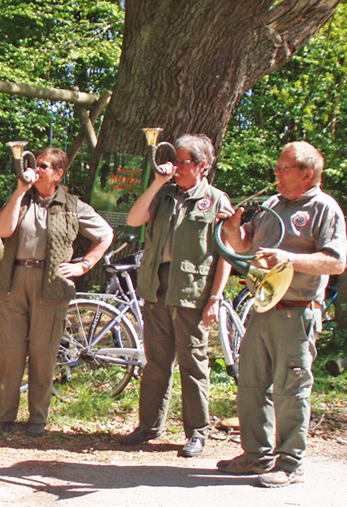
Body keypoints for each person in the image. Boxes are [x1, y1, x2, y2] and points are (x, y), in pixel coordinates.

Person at [217, 141, 346, 487]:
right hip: (262, 308)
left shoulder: (324, 208)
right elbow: (244, 245)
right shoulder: (272, 205)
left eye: (283, 168)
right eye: (277, 167)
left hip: (298, 312)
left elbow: (335, 262)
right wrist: (232, 228)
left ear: (307, 173)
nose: (276, 173)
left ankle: (290, 462)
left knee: (291, 388)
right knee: (251, 383)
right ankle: (256, 455)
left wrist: (291, 258)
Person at [0, 146, 113, 437]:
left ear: (58, 174)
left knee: (43, 353)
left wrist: (84, 265)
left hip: (52, 284)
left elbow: (106, 234)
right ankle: (3, 416)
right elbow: (2, 230)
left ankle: (37, 418)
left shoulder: (72, 204)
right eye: (35, 164)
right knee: (9, 351)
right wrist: (20, 191)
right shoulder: (21, 198)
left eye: (43, 166)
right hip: (15, 279)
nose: (36, 169)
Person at [119, 134, 233, 458]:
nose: (176, 167)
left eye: (183, 162)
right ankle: (148, 426)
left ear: (202, 166)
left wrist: (215, 298)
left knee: (193, 363)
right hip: (157, 287)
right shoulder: (164, 194)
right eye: (175, 161)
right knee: (156, 362)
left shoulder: (216, 200)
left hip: (192, 293)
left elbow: (226, 255)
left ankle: (197, 432)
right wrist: (157, 183)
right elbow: (133, 219)